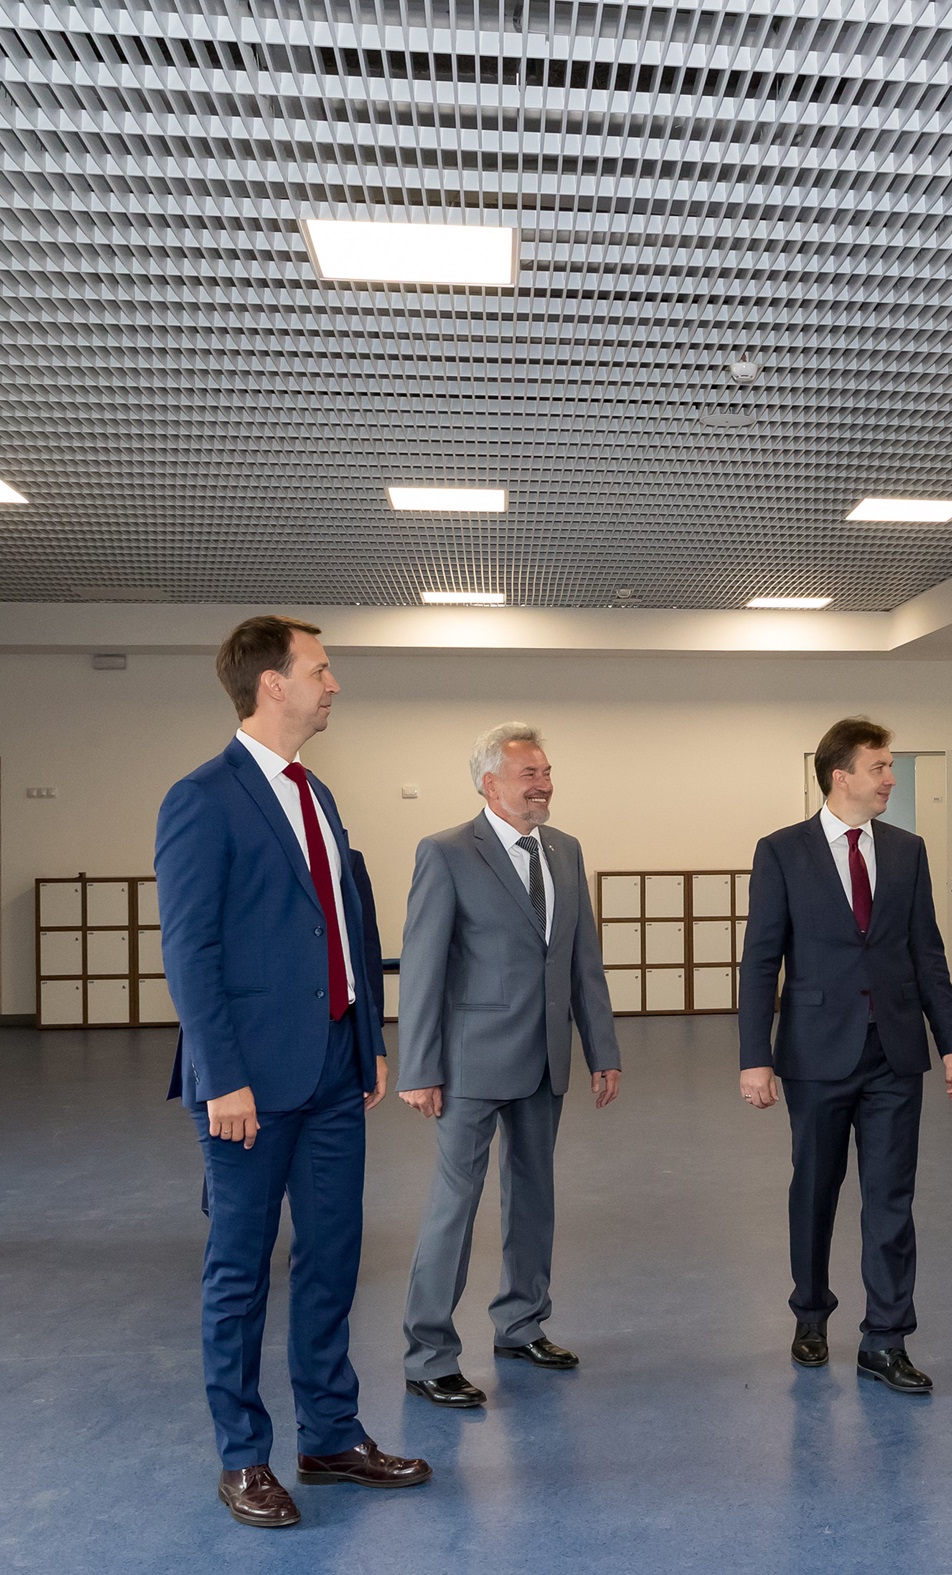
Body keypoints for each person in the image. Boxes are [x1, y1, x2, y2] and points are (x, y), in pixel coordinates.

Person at [155, 616, 430, 1529]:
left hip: (332, 1072)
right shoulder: (202, 798)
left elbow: (345, 920)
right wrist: (221, 1074)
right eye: (320, 668)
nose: (333, 683)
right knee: (240, 1271)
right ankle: (243, 1455)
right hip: (248, 1085)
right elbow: (190, 950)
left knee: (333, 1256)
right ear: (272, 683)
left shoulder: (317, 794)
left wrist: (368, 1037)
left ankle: (330, 1435)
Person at [737, 717, 952, 1393]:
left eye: (890, 766)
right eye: (880, 767)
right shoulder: (782, 851)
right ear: (842, 776)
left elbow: (927, 951)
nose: (891, 778)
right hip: (815, 1053)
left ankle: (885, 1339)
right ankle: (810, 1314)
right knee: (815, 1189)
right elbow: (761, 959)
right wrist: (755, 1056)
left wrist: (951, 1040)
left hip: (894, 1053)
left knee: (891, 1197)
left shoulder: (907, 850)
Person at [397, 722, 622, 1406]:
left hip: (545, 1058)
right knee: (454, 1207)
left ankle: (521, 1323)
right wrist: (418, 1067)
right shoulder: (445, 852)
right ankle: (429, 1354)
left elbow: (582, 959)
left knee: (534, 1198)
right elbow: (423, 966)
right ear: (490, 783)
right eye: (530, 775)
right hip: (470, 1064)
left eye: (547, 773)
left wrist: (602, 1050)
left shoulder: (564, 849)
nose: (544, 785)